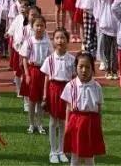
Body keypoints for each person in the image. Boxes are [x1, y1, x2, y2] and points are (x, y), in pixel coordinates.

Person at [61, 52, 105, 166]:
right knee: (75, 155)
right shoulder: (70, 86)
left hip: (91, 123)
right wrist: (67, 126)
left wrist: (99, 126)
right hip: (76, 123)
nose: (84, 70)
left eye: (87, 67)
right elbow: (68, 108)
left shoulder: (97, 87)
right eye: (81, 67)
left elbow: (99, 108)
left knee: (89, 156)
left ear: (92, 68)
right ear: (76, 68)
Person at [41, 28, 75, 164]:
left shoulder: (72, 59)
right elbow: (46, 79)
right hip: (53, 90)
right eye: (57, 38)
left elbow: (73, 79)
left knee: (63, 122)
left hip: (66, 90)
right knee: (53, 121)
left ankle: (61, 150)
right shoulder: (49, 59)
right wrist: (45, 97)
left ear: (67, 41)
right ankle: (52, 151)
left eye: (63, 38)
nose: (60, 40)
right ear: (53, 41)